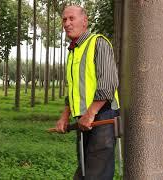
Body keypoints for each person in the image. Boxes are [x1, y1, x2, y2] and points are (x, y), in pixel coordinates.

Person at [55, 5, 120, 180]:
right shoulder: (73, 52)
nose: (67, 23)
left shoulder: (98, 43)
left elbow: (108, 84)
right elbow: (75, 91)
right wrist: (65, 116)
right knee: (85, 172)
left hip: (102, 118)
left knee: (96, 174)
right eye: (64, 19)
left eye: (71, 18)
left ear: (85, 21)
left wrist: (91, 113)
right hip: (84, 120)